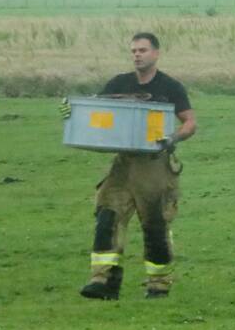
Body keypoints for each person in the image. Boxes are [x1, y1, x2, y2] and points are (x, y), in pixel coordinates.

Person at [61, 32, 197, 300]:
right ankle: (103, 282)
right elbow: (95, 112)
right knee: (107, 216)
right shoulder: (119, 83)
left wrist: (173, 137)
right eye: (134, 50)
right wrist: (71, 113)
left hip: (155, 163)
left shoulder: (170, 87)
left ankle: (158, 284)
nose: (137, 55)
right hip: (123, 163)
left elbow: (190, 122)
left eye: (143, 50)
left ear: (156, 53)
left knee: (155, 223)